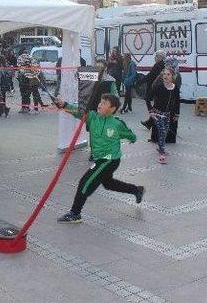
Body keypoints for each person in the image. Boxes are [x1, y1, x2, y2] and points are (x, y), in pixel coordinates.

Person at [54, 93, 144, 224]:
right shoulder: (92, 117)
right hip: (100, 158)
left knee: (85, 181)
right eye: (100, 102)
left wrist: (132, 139)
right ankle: (136, 190)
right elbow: (78, 112)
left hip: (110, 159)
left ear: (112, 109)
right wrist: (64, 104)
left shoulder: (116, 123)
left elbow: (130, 135)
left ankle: (75, 213)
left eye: (104, 103)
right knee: (108, 184)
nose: (99, 105)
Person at [147, 67, 180, 164]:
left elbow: (177, 102)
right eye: (164, 74)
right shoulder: (158, 87)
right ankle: (161, 154)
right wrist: (151, 111)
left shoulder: (175, 88)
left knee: (164, 133)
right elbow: (147, 99)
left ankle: (160, 147)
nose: (165, 76)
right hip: (157, 114)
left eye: (168, 74)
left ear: (173, 76)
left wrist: (177, 114)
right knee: (162, 131)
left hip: (167, 114)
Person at [141, 51, 166, 129]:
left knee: (148, 100)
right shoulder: (162, 65)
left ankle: (151, 118)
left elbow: (150, 76)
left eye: (156, 56)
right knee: (156, 105)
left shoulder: (158, 65)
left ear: (161, 57)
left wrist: (140, 81)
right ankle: (149, 123)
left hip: (156, 88)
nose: (155, 58)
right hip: (159, 88)